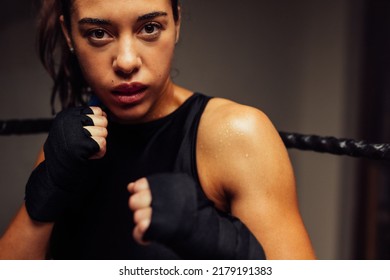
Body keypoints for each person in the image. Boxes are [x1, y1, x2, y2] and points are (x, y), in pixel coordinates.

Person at [0, 0, 315, 259]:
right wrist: (49, 187)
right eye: (98, 33)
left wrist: (219, 241)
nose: (126, 62)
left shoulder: (236, 133)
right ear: (69, 35)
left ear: (176, 23)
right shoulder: (71, 142)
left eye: (149, 28)